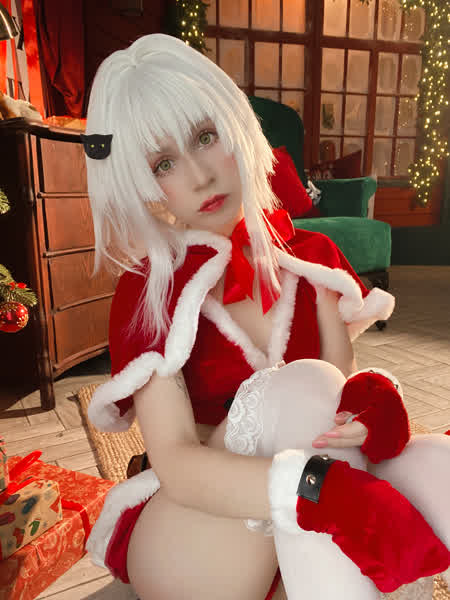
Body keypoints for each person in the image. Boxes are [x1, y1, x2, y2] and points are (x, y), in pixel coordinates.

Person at [82, 33, 450, 600]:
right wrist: (314, 488)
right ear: (141, 181)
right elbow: (177, 464)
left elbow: (340, 403)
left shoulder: (315, 261)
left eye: (205, 137)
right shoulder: (149, 290)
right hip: (198, 527)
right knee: (304, 386)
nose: (200, 176)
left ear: (236, 125)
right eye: (164, 163)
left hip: (302, 525)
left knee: (439, 467)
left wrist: (373, 407)